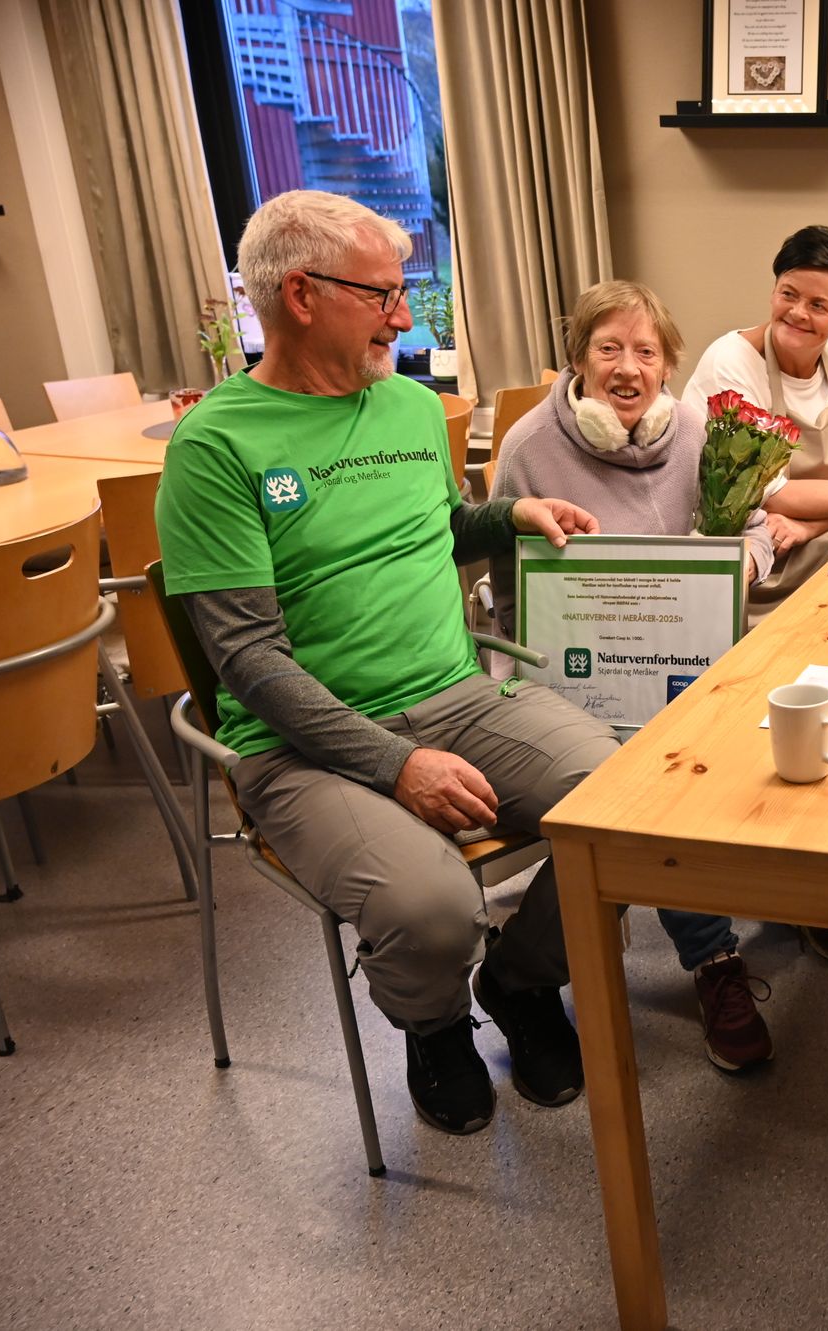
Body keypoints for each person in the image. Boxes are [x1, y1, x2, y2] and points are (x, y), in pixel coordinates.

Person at [155, 190, 609, 1136]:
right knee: (434, 905)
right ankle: (435, 1022)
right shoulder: (216, 446)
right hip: (298, 746)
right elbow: (246, 660)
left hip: (454, 695)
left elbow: (434, 528)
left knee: (630, 813)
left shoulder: (408, 404)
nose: (405, 318)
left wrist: (506, 517)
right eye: (386, 295)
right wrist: (396, 764)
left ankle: (522, 983)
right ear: (301, 295)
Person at [491, 278, 828, 1072]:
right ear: (579, 359)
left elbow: (759, 528)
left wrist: (739, 560)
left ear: (668, 368)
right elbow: (508, 594)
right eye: (609, 349)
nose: (629, 369)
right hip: (574, 676)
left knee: (801, 718)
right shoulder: (528, 449)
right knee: (654, 772)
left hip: (687, 663)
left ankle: (799, 898)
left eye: (647, 352)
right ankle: (714, 957)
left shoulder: (698, 429)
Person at [681, 225, 828, 620]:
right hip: (746, 558)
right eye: (789, 294)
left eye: (818, 305)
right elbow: (766, 492)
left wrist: (808, 526)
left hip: (822, 540)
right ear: (773, 291)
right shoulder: (731, 362)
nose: (798, 313)